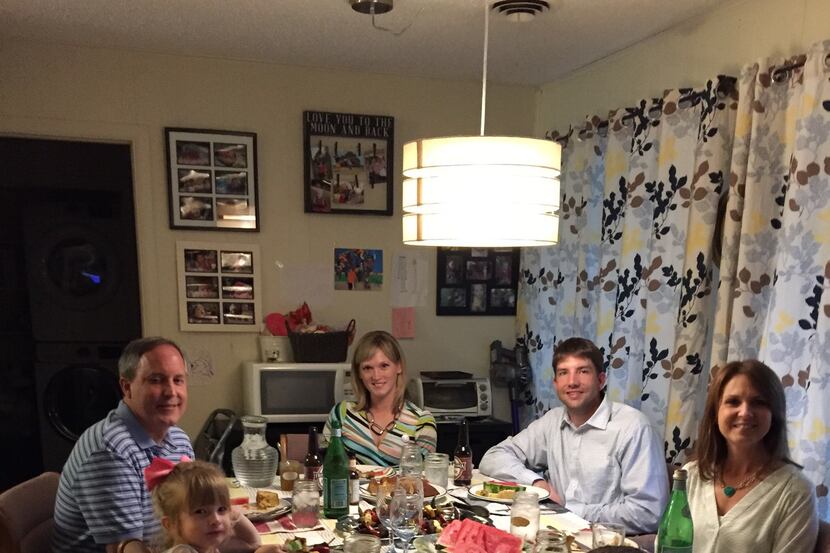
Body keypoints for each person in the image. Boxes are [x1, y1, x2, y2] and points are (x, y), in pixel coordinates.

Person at [51, 337, 260, 553]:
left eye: (178, 380)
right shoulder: (110, 451)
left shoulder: (178, 438)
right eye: (156, 380)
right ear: (126, 387)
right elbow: (121, 548)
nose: (171, 392)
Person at [479, 337, 668, 535]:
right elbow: (494, 457)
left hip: (605, 542)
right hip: (554, 534)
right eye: (563, 373)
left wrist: (569, 509)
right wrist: (536, 483)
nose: (572, 382)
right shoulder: (552, 421)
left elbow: (649, 513)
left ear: (601, 380)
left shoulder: (633, 427)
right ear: (555, 383)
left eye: (583, 371)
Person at [683, 359, 818, 553]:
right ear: (715, 412)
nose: (745, 412)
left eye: (758, 402)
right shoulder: (690, 476)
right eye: (733, 402)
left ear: (774, 414)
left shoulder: (796, 492)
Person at [323, 330, 437, 466]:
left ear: (399, 367)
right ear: (359, 373)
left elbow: (422, 480)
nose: (376, 376)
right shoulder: (341, 414)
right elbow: (325, 469)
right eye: (367, 368)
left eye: (384, 366)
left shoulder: (422, 422)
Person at [147, 457, 280, 553]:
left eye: (221, 509)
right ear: (171, 524)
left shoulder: (206, 547)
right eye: (200, 511)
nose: (216, 520)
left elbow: (254, 543)